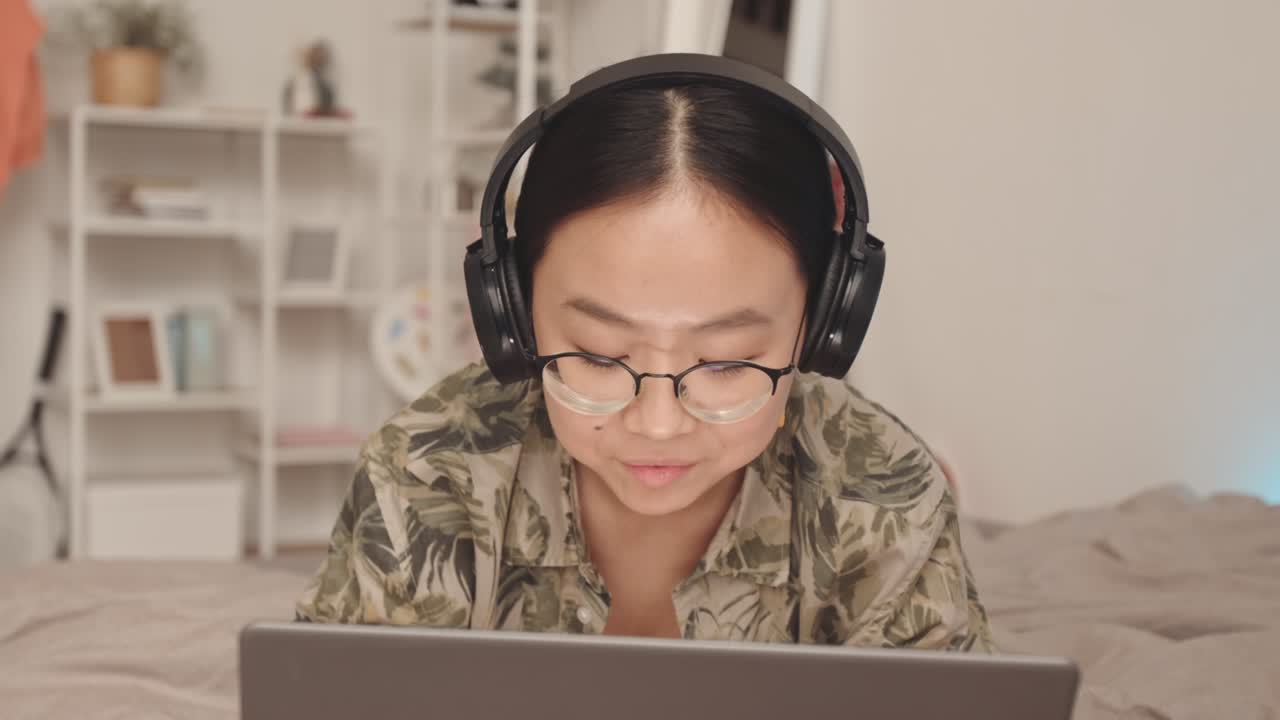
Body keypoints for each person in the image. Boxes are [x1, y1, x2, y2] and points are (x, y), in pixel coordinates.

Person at [296, 53, 994, 651]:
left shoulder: (886, 500)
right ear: (512, 314)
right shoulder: (422, 477)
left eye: (726, 363)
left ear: (820, 328)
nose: (658, 424)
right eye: (599, 355)